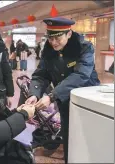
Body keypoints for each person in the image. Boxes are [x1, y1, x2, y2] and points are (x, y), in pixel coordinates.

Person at [25, 17, 100, 164]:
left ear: (69, 34)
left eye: (58, 38)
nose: (53, 42)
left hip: (88, 105)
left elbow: (81, 75)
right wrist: (34, 93)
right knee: (69, 138)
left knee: (88, 141)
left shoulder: (83, 47)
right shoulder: (48, 50)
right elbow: (41, 75)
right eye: (50, 38)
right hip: (65, 102)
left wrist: (52, 96)